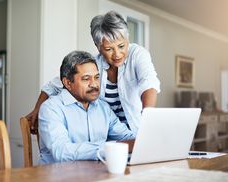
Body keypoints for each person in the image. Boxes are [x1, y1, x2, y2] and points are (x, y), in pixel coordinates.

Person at [27, 10, 160, 134]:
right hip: (104, 135)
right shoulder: (93, 64)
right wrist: (37, 109)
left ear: (127, 39)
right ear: (98, 47)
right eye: (109, 49)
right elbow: (53, 86)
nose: (117, 54)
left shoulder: (137, 54)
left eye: (121, 46)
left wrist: (147, 116)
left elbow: (148, 82)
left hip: (134, 132)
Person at [39, 50, 135, 164]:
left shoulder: (103, 107)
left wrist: (145, 139)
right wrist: (114, 147)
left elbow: (126, 137)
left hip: (96, 175)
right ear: (68, 83)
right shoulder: (51, 108)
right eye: (86, 78)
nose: (94, 84)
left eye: (97, 77)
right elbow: (62, 152)